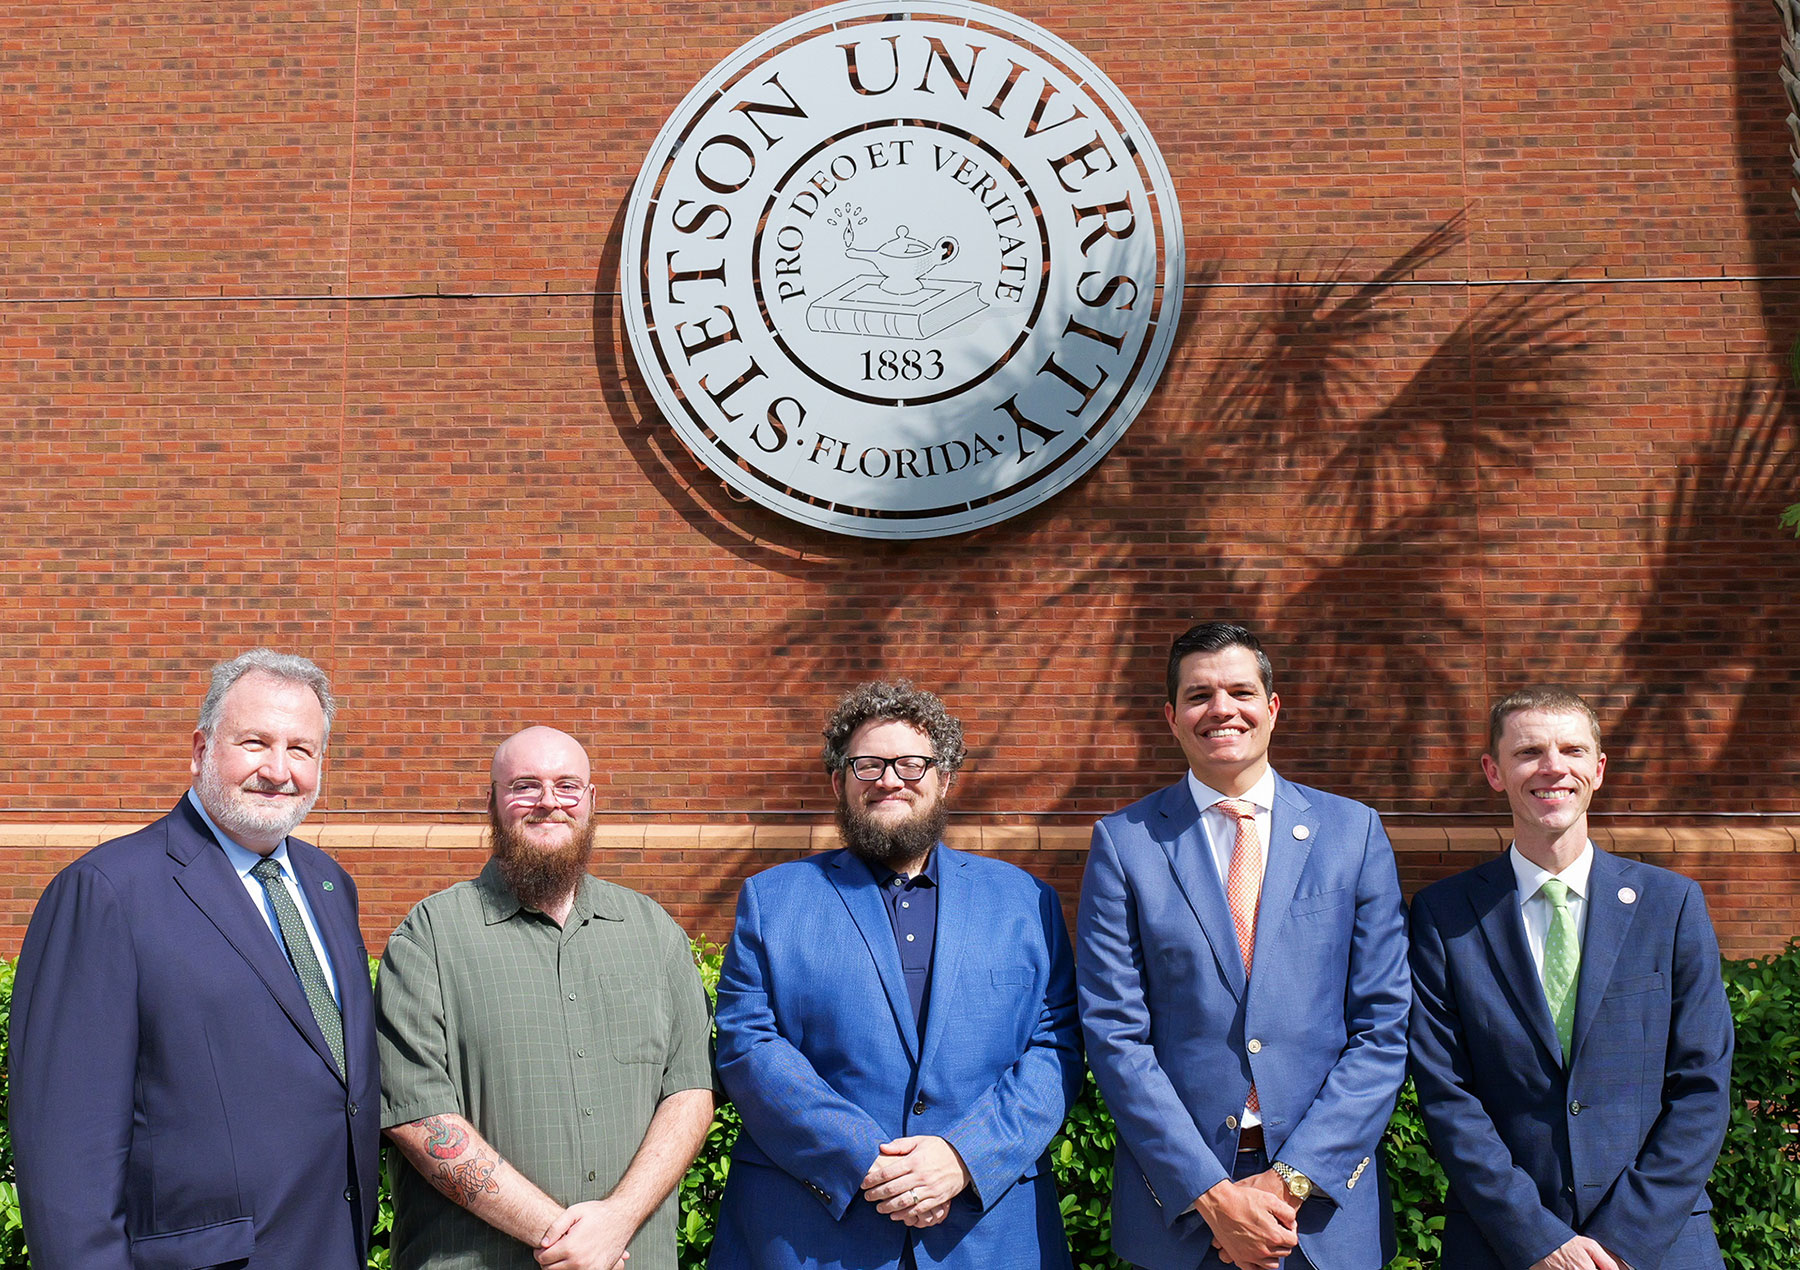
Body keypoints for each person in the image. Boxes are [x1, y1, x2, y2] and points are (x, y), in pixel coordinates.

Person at [10, 649, 380, 1269]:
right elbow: (65, 1155)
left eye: (301, 749)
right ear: (201, 749)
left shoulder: (328, 884)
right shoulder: (107, 890)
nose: (278, 769)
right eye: (255, 742)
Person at [708, 680, 1082, 1269]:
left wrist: (964, 1158)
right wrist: (862, 1157)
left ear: (944, 779)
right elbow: (747, 1046)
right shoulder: (773, 900)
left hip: (989, 1236)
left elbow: (1056, 1044)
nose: (890, 779)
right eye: (867, 765)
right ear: (839, 783)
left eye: (912, 763)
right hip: (812, 1236)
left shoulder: (1024, 901)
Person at [1076, 622, 1410, 1270]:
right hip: (1181, 1213)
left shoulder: (1353, 833)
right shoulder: (1125, 844)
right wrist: (1213, 1197)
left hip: (1321, 1212)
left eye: (1240, 690)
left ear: (1272, 707)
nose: (1221, 709)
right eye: (1199, 695)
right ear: (1172, 717)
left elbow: (1383, 1028)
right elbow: (1116, 1034)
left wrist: (1288, 1181)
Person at [1407, 687, 1734, 1270]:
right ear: (1494, 771)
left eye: (1573, 751)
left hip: (1656, 1247)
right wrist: (1538, 1240)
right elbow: (1445, 1094)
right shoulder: (1444, 915)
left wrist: (1620, 1242)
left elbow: (1702, 1087)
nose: (1553, 767)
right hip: (1501, 1248)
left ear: (1598, 769)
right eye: (1529, 751)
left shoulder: (1671, 905)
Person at [376, 725, 715, 1270]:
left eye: (567, 786)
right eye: (525, 786)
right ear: (492, 801)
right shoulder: (430, 938)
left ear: (591, 801)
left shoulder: (654, 932)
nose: (548, 802)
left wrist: (617, 1222)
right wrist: (570, 1240)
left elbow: (690, 1092)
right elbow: (420, 1119)